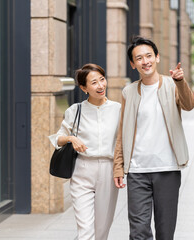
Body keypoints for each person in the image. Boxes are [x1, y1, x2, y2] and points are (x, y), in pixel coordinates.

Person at [113, 36, 194, 240]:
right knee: (138, 231)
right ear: (133, 64)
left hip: (167, 169)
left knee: (165, 232)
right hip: (137, 171)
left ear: (157, 57)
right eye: (139, 58)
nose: (145, 61)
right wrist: (118, 166)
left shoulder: (171, 85)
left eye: (149, 56)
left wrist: (180, 81)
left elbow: (189, 105)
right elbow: (122, 131)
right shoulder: (129, 92)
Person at [49, 63, 124, 240]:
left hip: (108, 170)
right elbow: (58, 138)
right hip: (82, 171)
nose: (100, 86)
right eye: (94, 82)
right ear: (84, 88)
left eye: (102, 80)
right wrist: (71, 138)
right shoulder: (75, 110)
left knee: (102, 229)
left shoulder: (118, 109)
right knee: (85, 230)